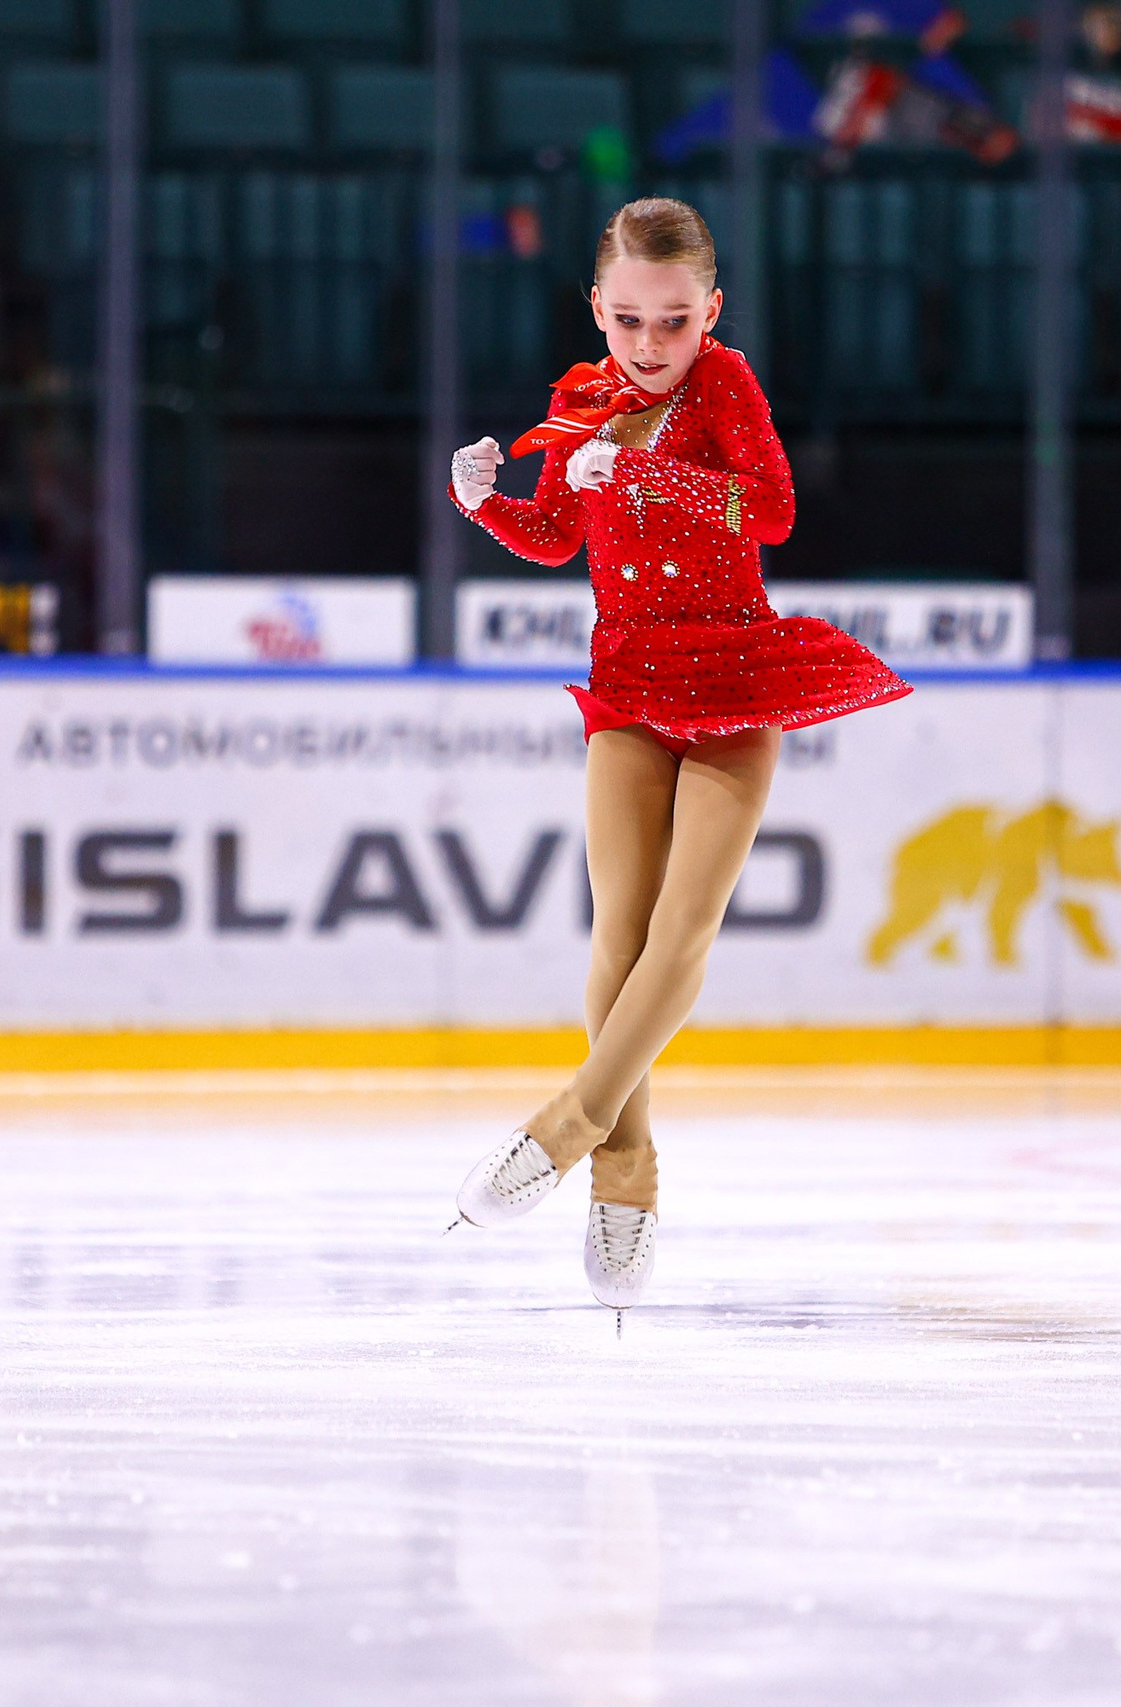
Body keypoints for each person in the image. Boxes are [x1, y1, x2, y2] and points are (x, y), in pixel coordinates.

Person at [444, 198, 910, 1315]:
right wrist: (486, 507)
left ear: (710, 312)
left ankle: (568, 1126)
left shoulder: (727, 387)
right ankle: (629, 1174)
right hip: (627, 687)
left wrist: (644, 476)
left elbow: (774, 511)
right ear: (596, 311)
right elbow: (557, 533)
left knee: (682, 929)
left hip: (734, 681)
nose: (649, 346)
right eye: (627, 322)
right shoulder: (578, 403)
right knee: (618, 931)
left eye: (673, 323)